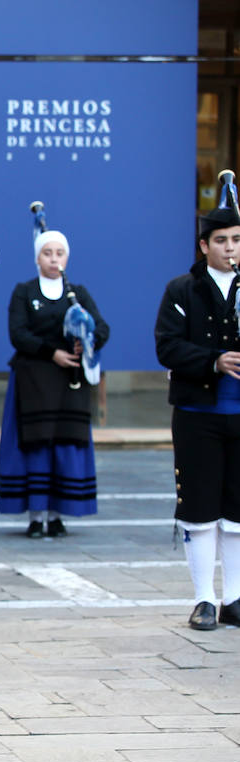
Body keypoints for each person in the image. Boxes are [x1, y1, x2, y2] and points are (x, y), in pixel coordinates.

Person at [155, 193, 240, 631]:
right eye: (222, 240)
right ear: (204, 245)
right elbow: (166, 346)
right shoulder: (181, 290)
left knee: (238, 511)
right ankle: (204, 599)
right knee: (201, 508)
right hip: (196, 412)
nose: (231, 248)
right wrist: (214, 360)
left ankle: (236, 598)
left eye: (237, 240)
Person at [0, 228, 109, 537]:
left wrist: (85, 342)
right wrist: (52, 353)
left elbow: (102, 328)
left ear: (67, 257)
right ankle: (35, 516)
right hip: (33, 381)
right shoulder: (24, 291)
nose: (54, 259)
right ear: (37, 258)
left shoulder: (79, 294)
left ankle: (59, 515)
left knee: (64, 443)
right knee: (36, 446)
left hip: (68, 383)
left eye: (59, 253)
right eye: (48, 253)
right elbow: (17, 333)